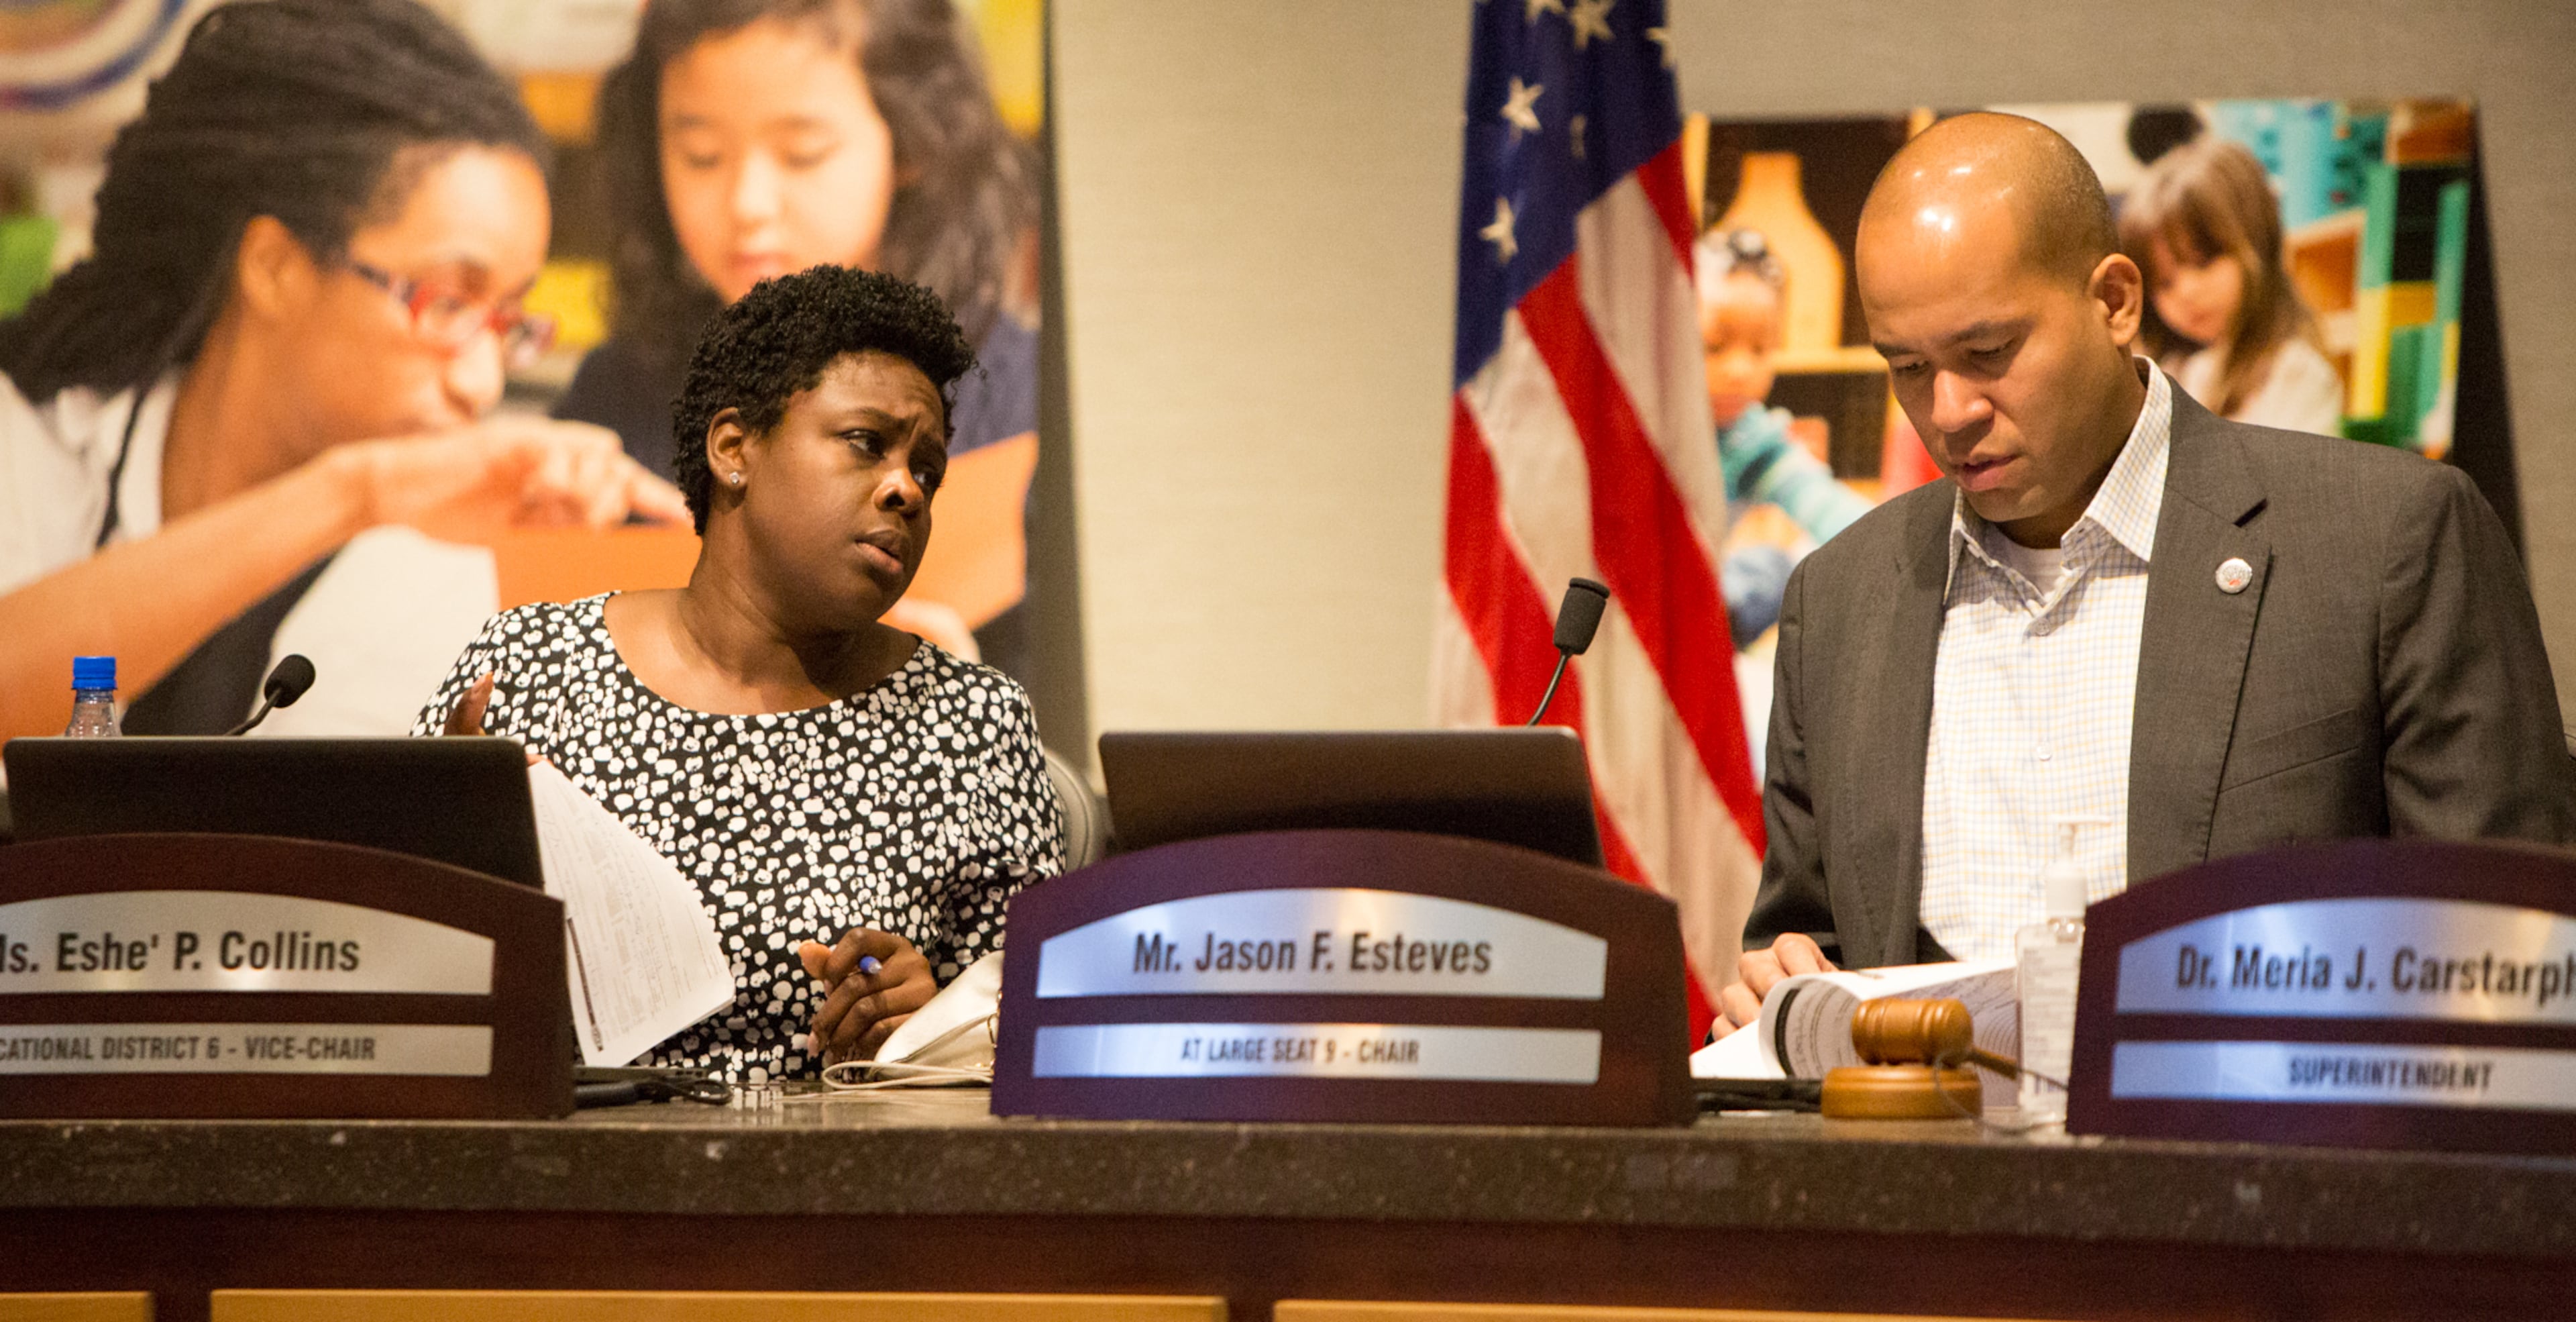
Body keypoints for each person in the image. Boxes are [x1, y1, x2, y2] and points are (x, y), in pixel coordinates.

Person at [1720, 113, 2571, 1029]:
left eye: (1988, 354)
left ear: (2116, 301)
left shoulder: (2388, 542)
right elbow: (1809, 953)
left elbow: (2515, 969)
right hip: (1916, 1169)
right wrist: (1777, 1005)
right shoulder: (1842, 602)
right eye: (1907, 366)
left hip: (2277, 1162)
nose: (1949, 410)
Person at [421, 266, 1065, 1081]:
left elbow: (1034, 1045)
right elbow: (404, 978)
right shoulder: (527, 672)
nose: (906, 488)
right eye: (867, 442)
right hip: (560, 1177)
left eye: (928, 469)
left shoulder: (973, 723)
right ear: (734, 448)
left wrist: (923, 1020)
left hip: (840, 1188)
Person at [0, 0, 686, 740]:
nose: (481, 383)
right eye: (449, 302)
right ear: (276, 268)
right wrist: (354, 492)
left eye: (508, 320)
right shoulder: (33, 435)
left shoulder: (435, 564)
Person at [558, 0, 1038, 667]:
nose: (748, 203)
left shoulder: (1023, 404)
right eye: (701, 156)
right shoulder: (617, 393)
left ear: (913, 144)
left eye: (803, 154)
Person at [1697, 226, 1875, 646]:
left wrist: (1901, 542)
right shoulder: (1642, 425)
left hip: (1698, 606)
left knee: (1781, 566)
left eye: (1760, 350)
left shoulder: (1751, 441)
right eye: (1715, 347)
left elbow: (1821, 503)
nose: (1740, 371)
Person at [2121, 136, 2343, 436]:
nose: (2186, 293)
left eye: (2203, 263)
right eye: (2165, 283)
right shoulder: (2179, 374)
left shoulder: (2297, 375)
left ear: (2258, 243)